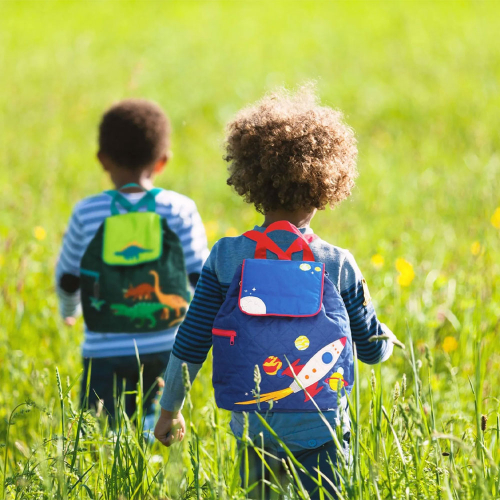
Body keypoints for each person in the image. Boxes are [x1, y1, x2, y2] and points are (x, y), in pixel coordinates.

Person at [154, 86, 396, 498]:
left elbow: (191, 342)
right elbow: (371, 348)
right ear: (326, 184)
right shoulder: (337, 263)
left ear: (252, 181)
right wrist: (388, 341)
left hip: (254, 425)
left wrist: (170, 409)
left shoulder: (227, 257)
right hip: (322, 428)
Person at [56, 99, 209, 428]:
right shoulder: (179, 209)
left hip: (103, 348)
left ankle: (112, 479)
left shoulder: (87, 213)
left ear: (102, 160)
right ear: (162, 161)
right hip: (168, 345)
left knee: (103, 433)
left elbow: (68, 277)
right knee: (163, 426)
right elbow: (200, 275)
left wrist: (69, 312)